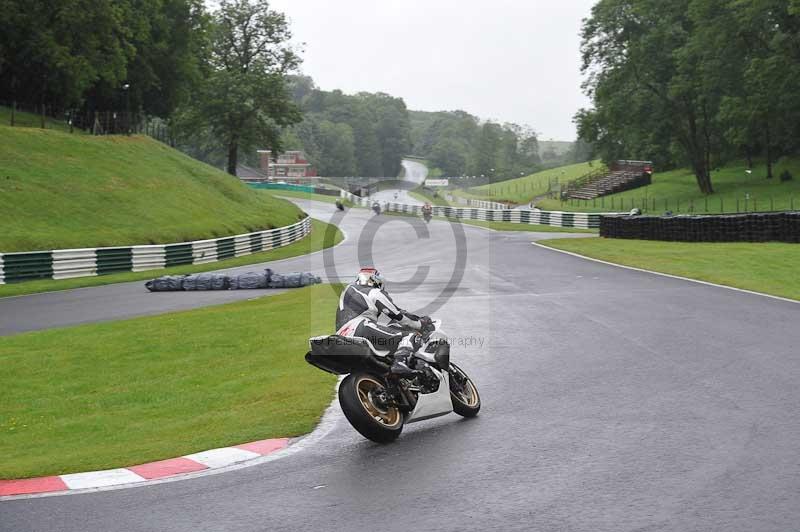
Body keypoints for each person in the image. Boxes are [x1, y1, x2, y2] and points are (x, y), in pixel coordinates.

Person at [335, 267, 433, 376]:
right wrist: (420, 324)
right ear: (376, 281)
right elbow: (398, 316)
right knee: (409, 336)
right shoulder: (373, 292)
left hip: (341, 335)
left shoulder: (348, 291)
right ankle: (400, 362)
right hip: (359, 328)